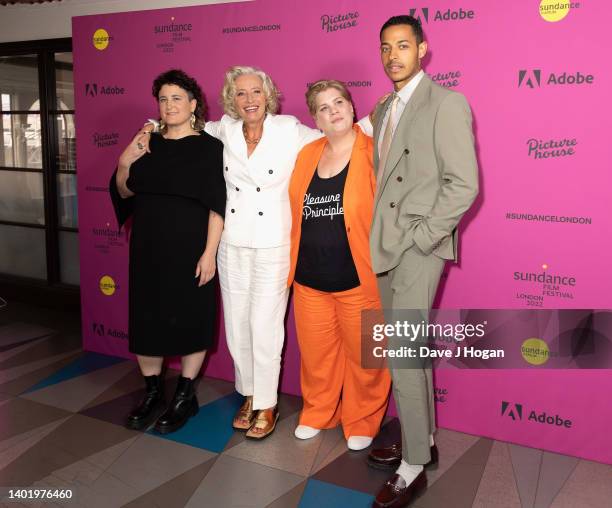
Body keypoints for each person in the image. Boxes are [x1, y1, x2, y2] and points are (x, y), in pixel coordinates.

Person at [363, 16, 479, 508]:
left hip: (416, 246)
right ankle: (424, 440)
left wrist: (423, 237)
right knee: (410, 348)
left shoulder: (446, 102)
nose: (393, 55)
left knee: (402, 354)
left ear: (423, 49)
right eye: (386, 47)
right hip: (386, 244)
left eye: (403, 46)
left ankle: (412, 468)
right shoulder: (383, 105)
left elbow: (464, 184)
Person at [110, 69, 226, 435]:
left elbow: (217, 205)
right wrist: (126, 161)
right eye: (163, 98)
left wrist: (209, 253)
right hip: (148, 249)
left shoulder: (209, 148)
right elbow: (124, 192)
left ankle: (185, 395)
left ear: (193, 105)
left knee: (192, 318)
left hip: (191, 250)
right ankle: (153, 392)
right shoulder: (147, 142)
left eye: (177, 98)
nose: (169, 104)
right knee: (147, 320)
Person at [287, 80, 391, 451]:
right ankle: (318, 412)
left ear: (351, 106)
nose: (335, 111)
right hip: (309, 279)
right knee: (317, 357)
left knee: (368, 359)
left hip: (358, 278)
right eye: (324, 107)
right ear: (315, 119)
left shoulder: (374, 151)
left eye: (340, 102)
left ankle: (362, 419)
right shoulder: (308, 154)